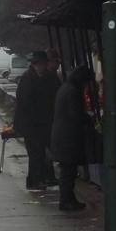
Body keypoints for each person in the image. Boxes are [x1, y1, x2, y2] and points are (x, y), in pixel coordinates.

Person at [51, 66, 93, 211]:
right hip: (68, 137)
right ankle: (66, 200)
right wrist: (88, 118)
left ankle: (69, 198)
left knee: (67, 171)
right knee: (68, 171)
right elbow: (75, 114)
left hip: (63, 135)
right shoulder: (73, 91)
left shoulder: (66, 88)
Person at [14, 51, 52, 190]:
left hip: (36, 123)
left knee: (38, 152)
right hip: (31, 124)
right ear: (38, 64)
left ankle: (36, 179)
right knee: (36, 153)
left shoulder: (36, 77)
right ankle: (34, 181)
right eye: (44, 64)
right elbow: (26, 102)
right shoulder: (29, 78)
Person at [42, 49, 62, 186]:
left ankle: (48, 175)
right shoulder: (49, 77)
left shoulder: (51, 76)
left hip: (50, 118)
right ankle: (48, 175)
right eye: (57, 61)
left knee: (48, 149)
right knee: (48, 149)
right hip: (49, 119)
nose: (59, 64)